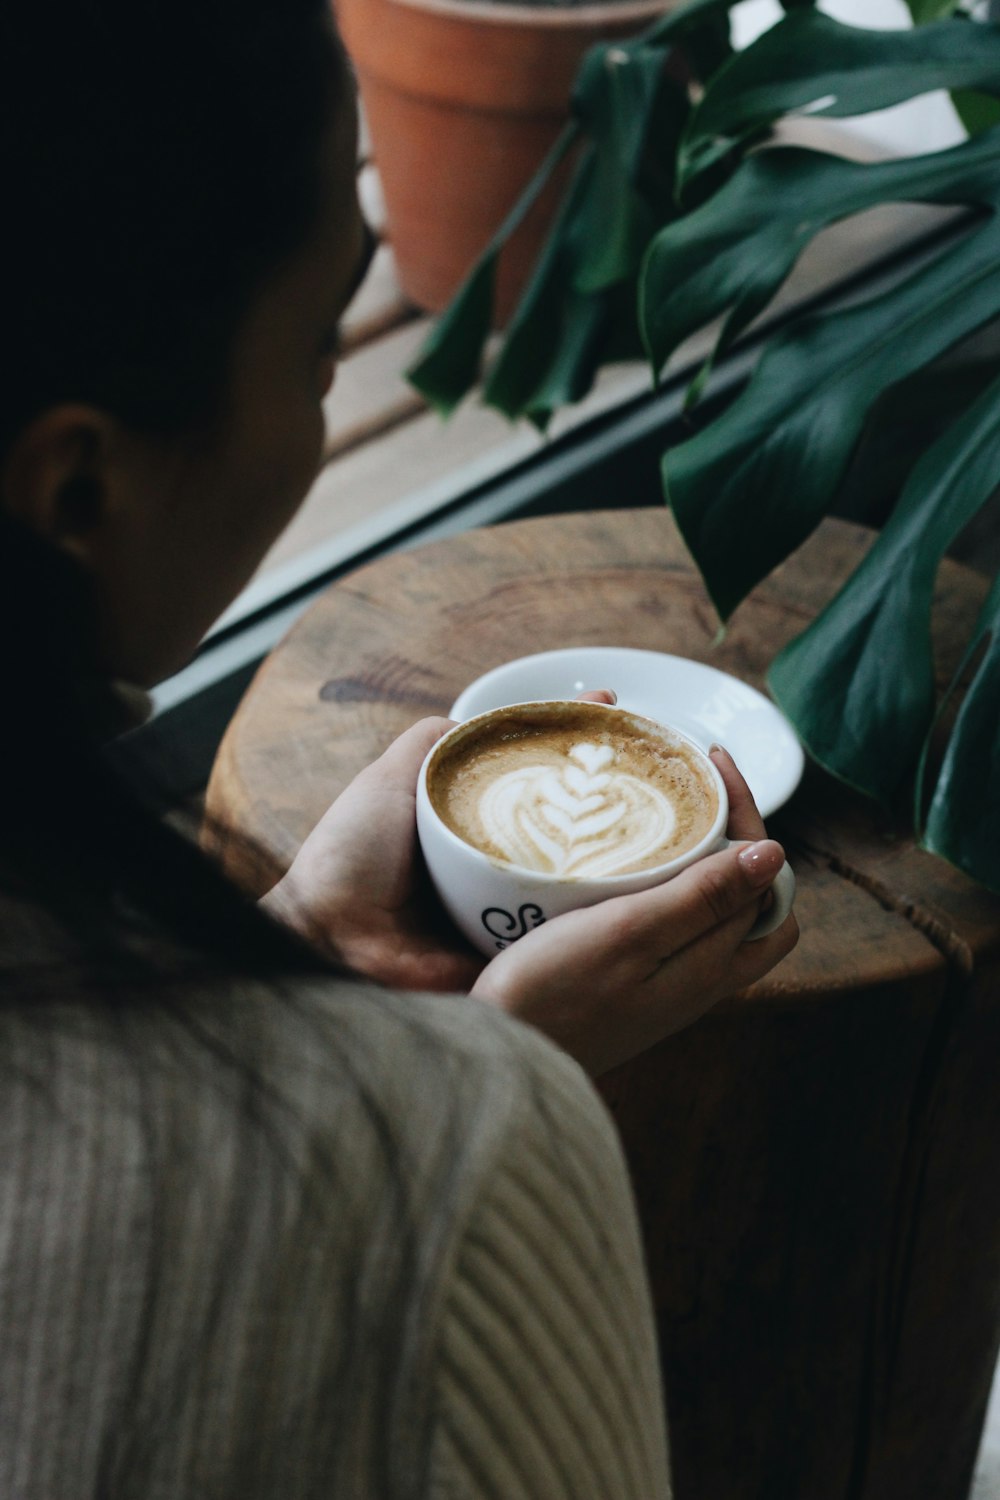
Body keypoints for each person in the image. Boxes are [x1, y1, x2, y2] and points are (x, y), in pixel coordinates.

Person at [0, 2, 798, 1495]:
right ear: (83, 489)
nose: (332, 387)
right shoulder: (456, 1168)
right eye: (317, 342)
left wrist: (285, 961)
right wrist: (450, 1105)